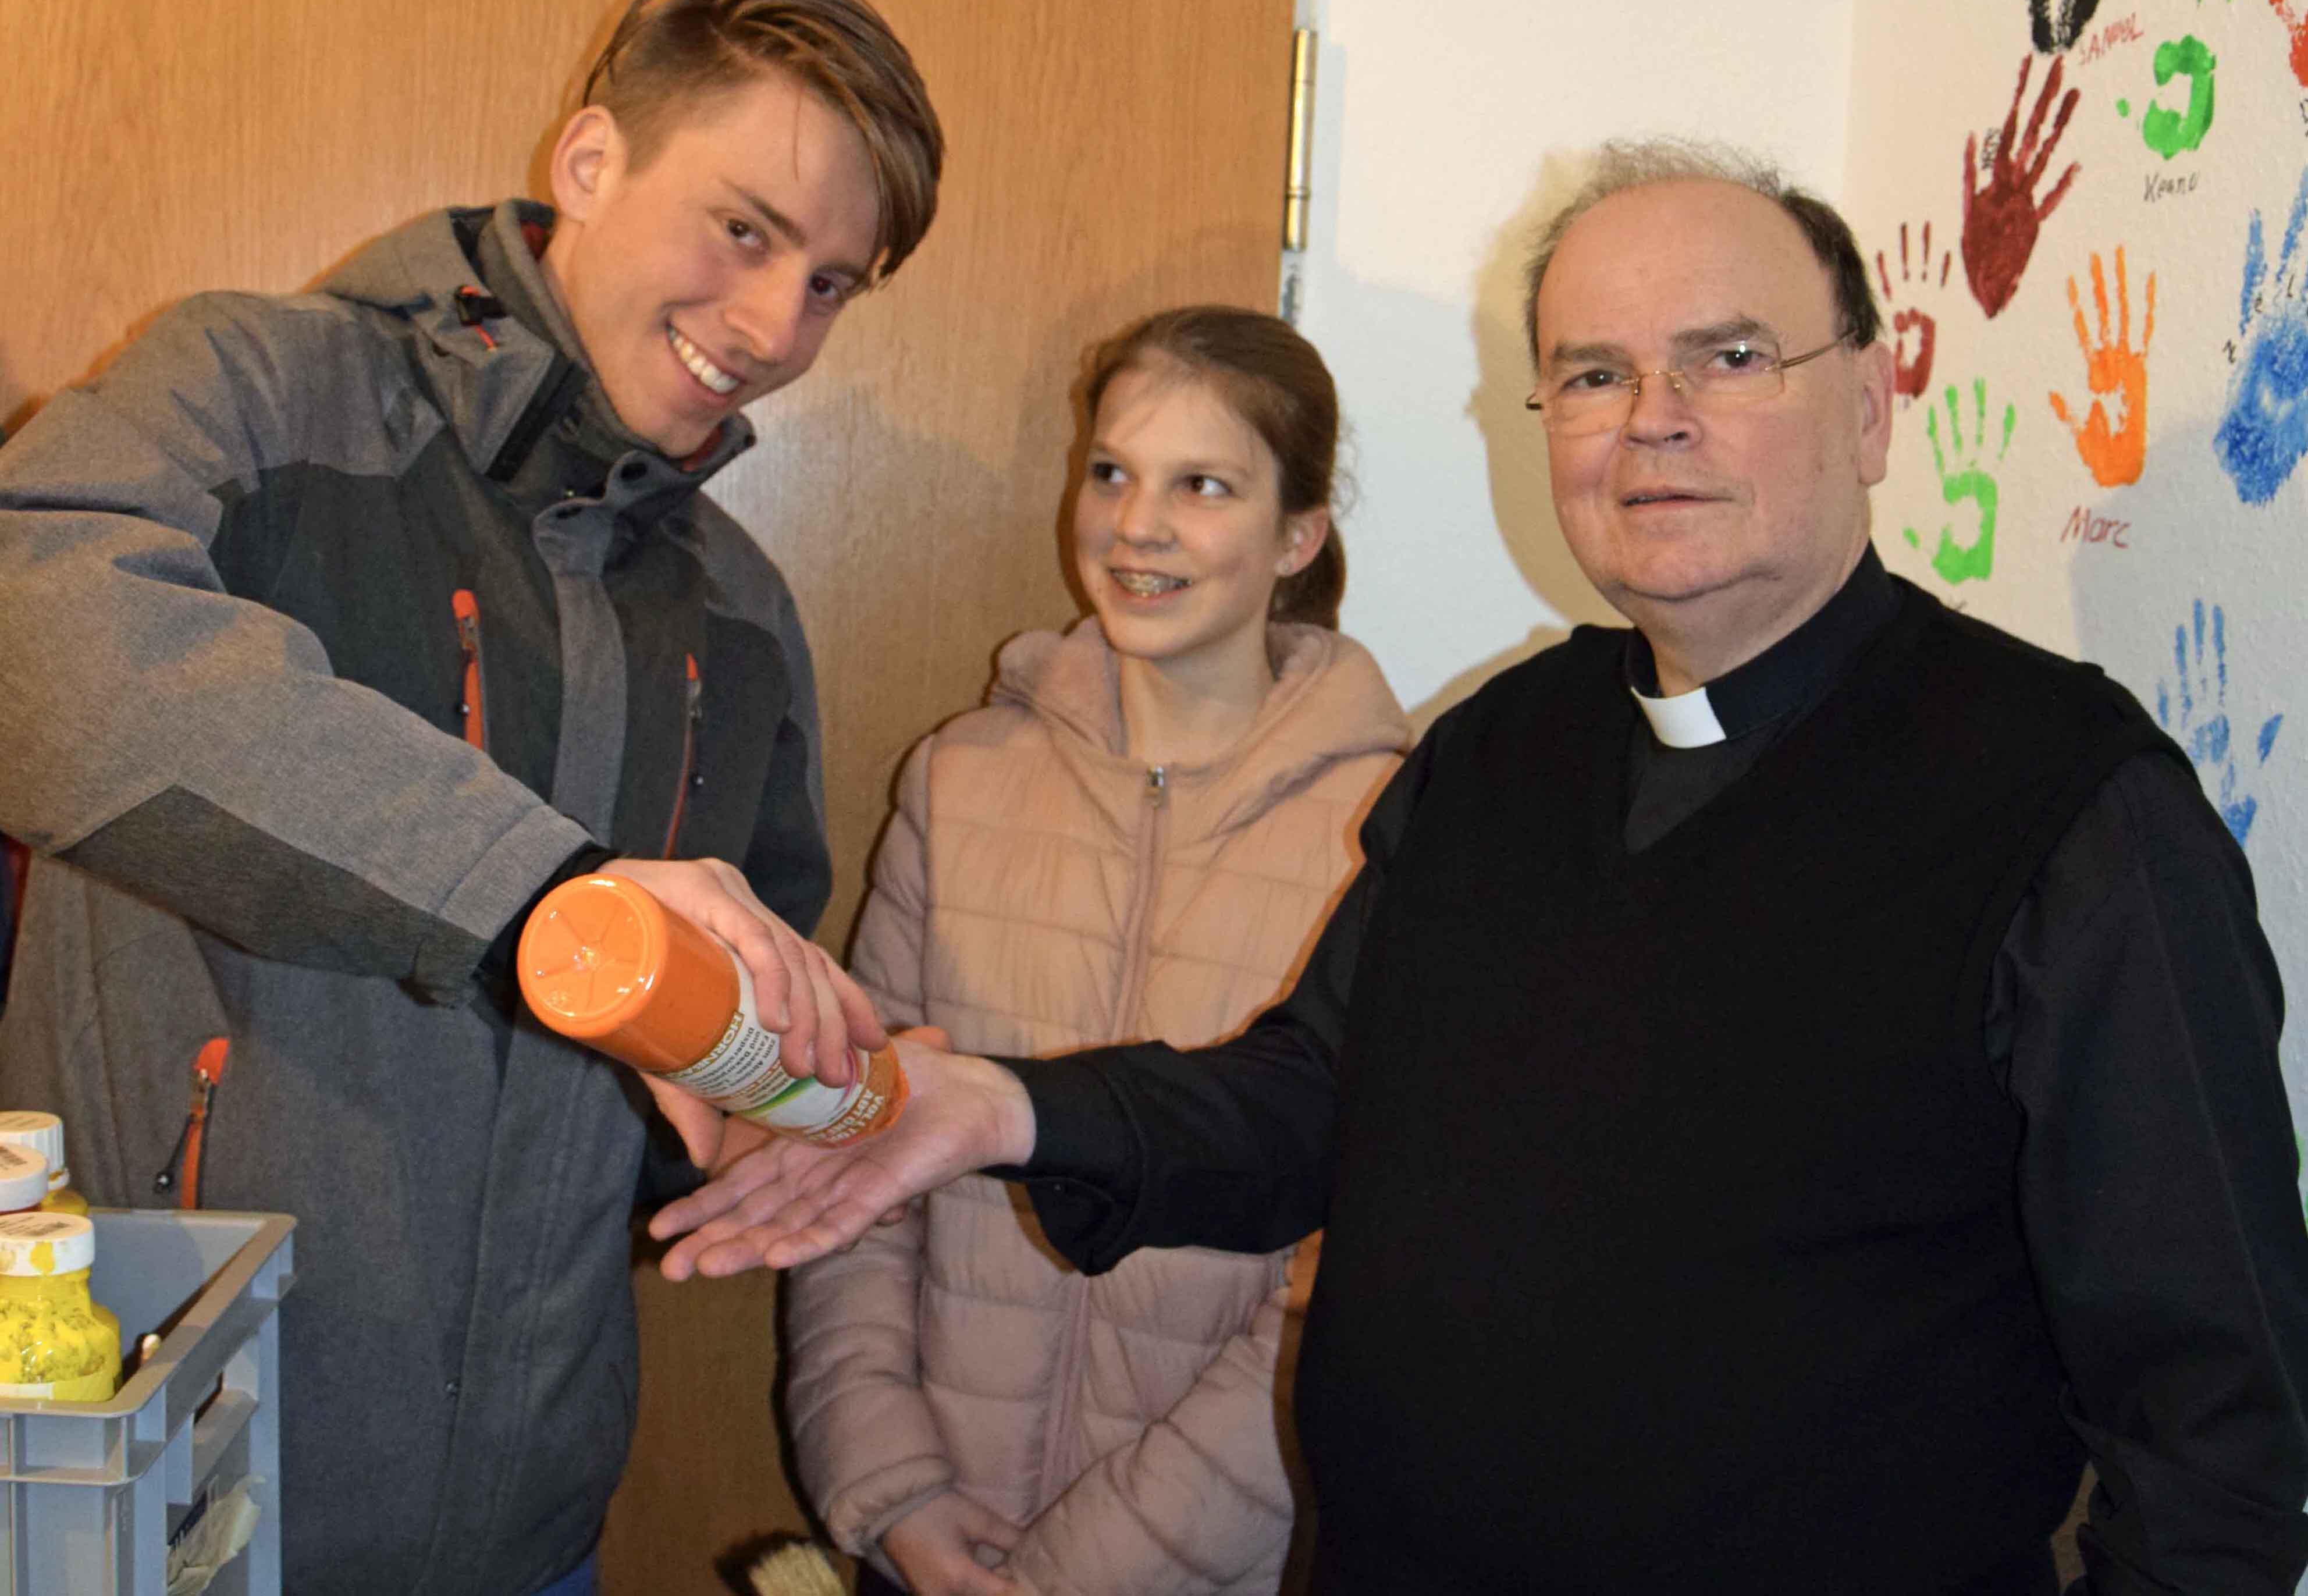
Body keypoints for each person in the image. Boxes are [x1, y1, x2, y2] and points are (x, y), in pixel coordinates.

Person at [657, 142, 2308, 1594]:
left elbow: (2215, 1411)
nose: (1651, 422)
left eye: (1726, 357)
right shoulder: (1504, 747)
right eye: (1590, 374)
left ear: (1870, 404)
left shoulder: (2070, 802)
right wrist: (1005, 1111)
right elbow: (1316, 1096)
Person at [0, 0, 938, 1596]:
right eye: (746, 230)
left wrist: (764, 1114)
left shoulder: (738, 610)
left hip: (529, 1536)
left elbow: (718, 1032)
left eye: (834, 284)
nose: (780, 325)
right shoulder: (259, 387)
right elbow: (31, 630)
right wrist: (545, 901)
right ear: (591, 163)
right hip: (163, 1499)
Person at [784, 307, 1408, 1596]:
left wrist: (1091, 1570)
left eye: (1204, 486)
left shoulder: (1389, 831)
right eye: (1113, 471)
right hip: (933, 1550)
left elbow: (1344, 1264)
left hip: (1200, 1563)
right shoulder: (958, 781)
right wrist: (893, 1492)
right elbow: (854, 1140)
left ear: (1297, 536)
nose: (1136, 526)